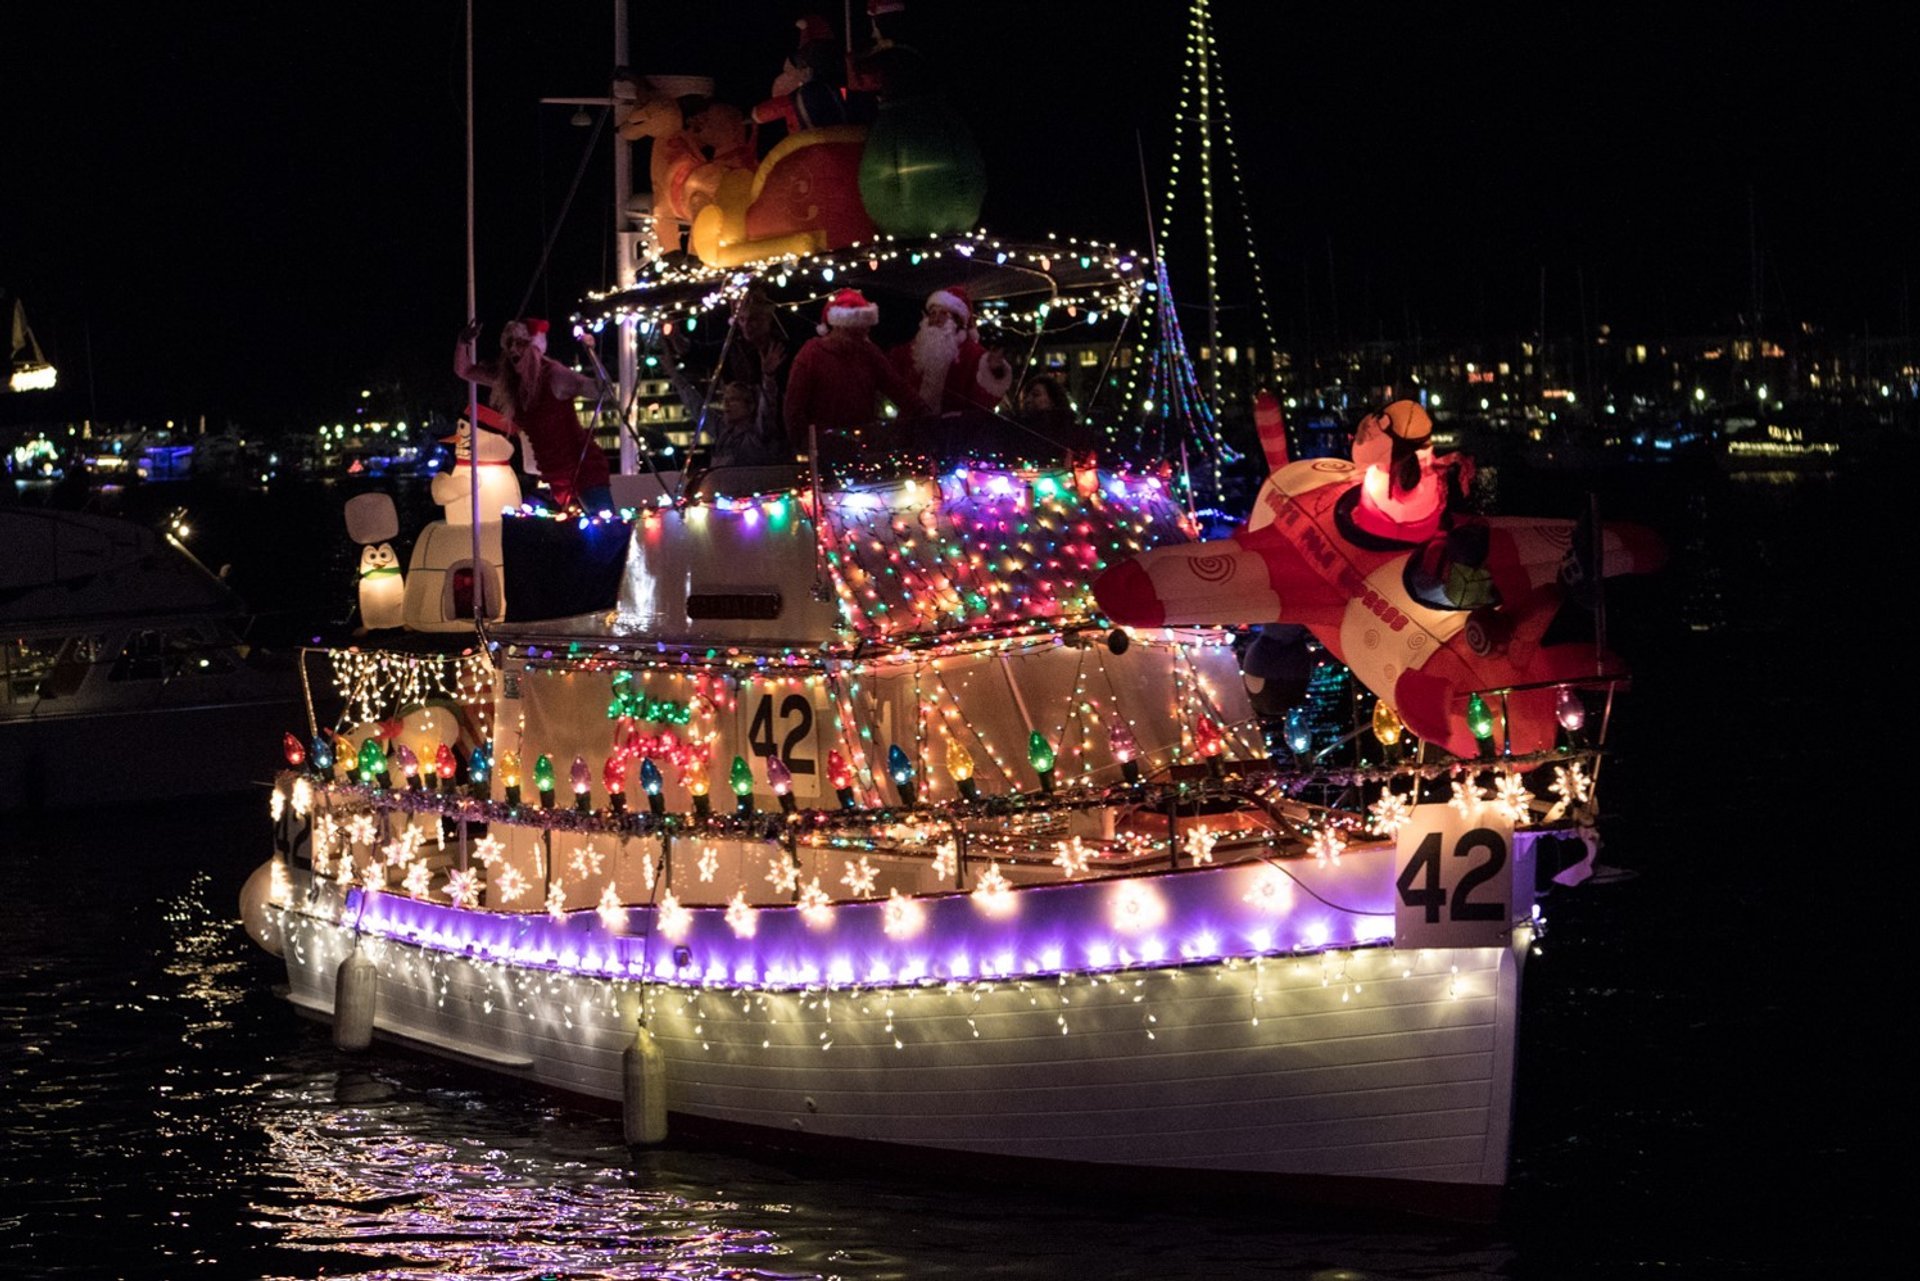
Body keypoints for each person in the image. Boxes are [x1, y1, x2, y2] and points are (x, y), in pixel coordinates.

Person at [454, 318, 615, 513]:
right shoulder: (510, 380)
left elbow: (604, 392)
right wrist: (463, 342)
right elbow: (464, 370)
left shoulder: (555, 376)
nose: (513, 349)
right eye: (509, 343)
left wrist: (591, 353)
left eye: (520, 343)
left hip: (583, 468)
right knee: (578, 534)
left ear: (535, 347)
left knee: (605, 527)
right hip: (554, 474)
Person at [782, 288, 928, 460]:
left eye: (863, 333)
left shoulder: (867, 352)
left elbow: (898, 388)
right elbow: (793, 409)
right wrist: (805, 446)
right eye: (854, 334)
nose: (860, 339)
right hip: (824, 451)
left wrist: (924, 413)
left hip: (861, 446)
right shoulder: (811, 355)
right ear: (838, 327)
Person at [661, 330, 790, 467]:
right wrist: (673, 374)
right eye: (725, 399)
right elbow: (696, 406)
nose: (726, 404)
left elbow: (768, 405)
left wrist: (768, 376)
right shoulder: (722, 431)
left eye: (734, 400)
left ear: (750, 406)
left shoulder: (758, 434)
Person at [889, 285, 1011, 416]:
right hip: (911, 428)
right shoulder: (916, 348)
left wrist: (995, 371)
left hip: (952, 431)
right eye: (932, 313)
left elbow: (984, 400)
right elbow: (889, 372)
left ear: (957, 320)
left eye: (943, 313)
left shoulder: (974, 355)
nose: (935, 319)